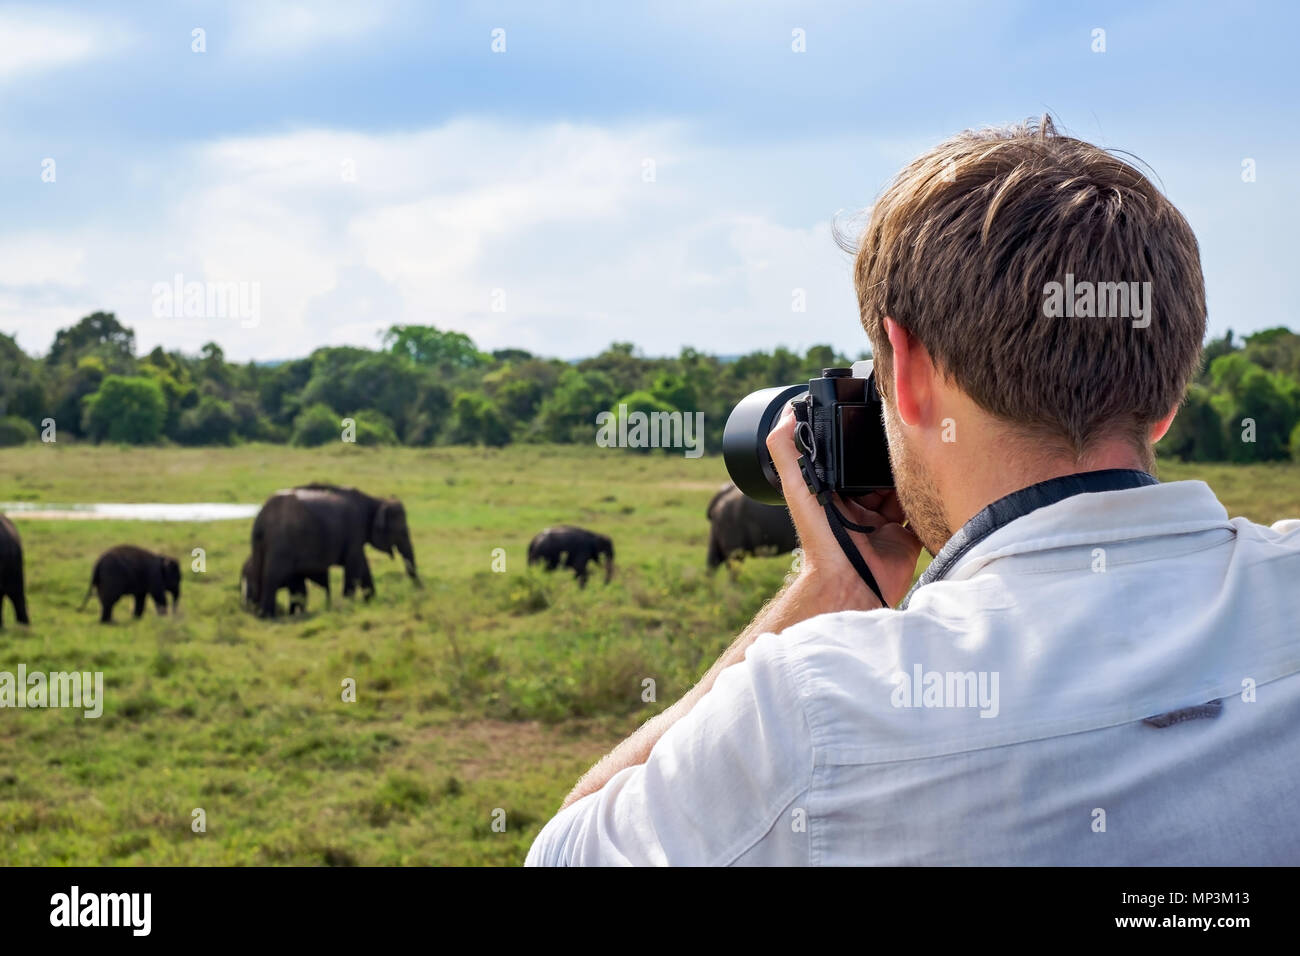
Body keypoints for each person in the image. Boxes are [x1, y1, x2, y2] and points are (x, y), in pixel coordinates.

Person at [525, 117, 1300, 865]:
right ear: (1166, 401)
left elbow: (563, 855)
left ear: (908, 371)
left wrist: (830, 592)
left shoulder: (814, 711)